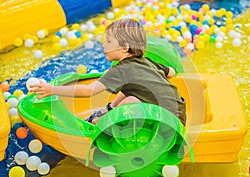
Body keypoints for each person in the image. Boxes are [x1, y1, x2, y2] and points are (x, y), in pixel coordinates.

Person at [30, 18, 186, 125]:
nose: (104, 44)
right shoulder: (147, 62)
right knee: (135, 93)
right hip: (179, 113)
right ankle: (108, 110)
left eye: (109, 41)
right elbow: (171, 72)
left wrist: (53, 89)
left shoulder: (121, 70)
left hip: (167, 124)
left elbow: (89, 91)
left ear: (124, 48)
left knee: (131, 102)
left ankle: (105, 121)